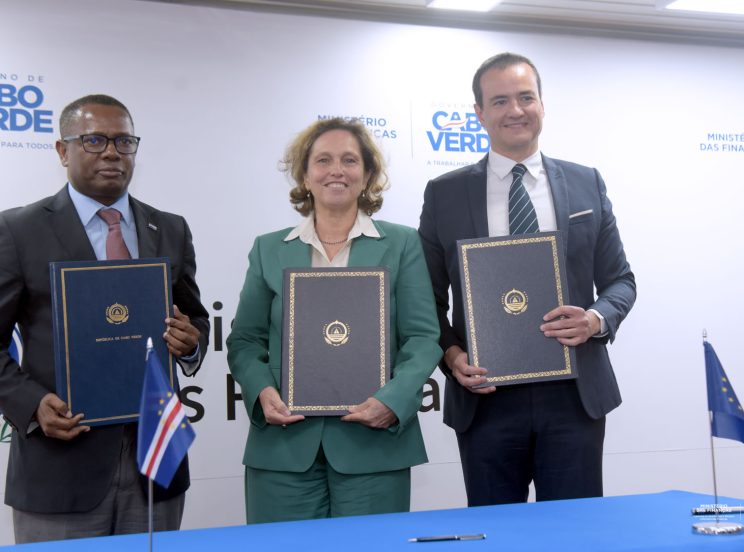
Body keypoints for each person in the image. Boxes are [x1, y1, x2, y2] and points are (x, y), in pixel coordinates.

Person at [418, 53, 636, 506]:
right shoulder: (444, 194)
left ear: (542, 104)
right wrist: (452, 356)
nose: (515, 110)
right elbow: (425, 300)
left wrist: (594, 319)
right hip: (486, 396)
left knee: (574, 532)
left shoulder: (586, 182)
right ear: (479, 113)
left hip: (574, 395)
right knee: (496, 532)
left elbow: (620, 281)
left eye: (525, 97)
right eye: (499, 101)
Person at [0, 94, 210, 543]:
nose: (112, 153)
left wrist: (191, 342)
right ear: (63, 151)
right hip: (59, 468)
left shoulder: (170, 228)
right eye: (94, 140)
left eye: (124, 141)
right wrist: (31, 404)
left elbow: (194, 317)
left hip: (156, 466)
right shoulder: (17, 230)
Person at [227, 117, 442, 523]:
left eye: (350, 160)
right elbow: (245, 340)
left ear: (368, 175)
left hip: (373, 445)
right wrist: (261, 392)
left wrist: (392, 401)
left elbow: (422, 338)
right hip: (283, 446)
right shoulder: (268, 249)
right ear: (305, 176)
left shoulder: (402, 243)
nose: (336, 170)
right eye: (323, 160)